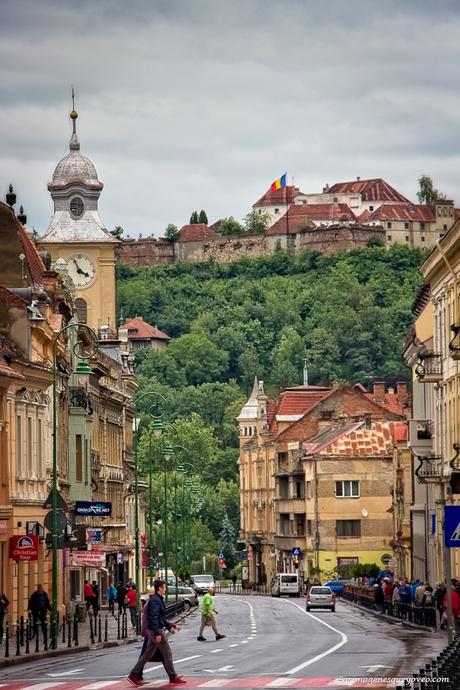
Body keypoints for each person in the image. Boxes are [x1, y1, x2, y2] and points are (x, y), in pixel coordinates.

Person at [127, 579, 185, 687]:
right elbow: (154, 618)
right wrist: (157, 633)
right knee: (167, 653)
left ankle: (133, 674)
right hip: (156, 630)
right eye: (164, 587)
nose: (166, 589)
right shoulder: (155, 601)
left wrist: (170, 627)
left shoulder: (157, 600)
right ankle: (173, 676)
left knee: (148, 654)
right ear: (159, 588)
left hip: (155, 630)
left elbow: (161, 618)